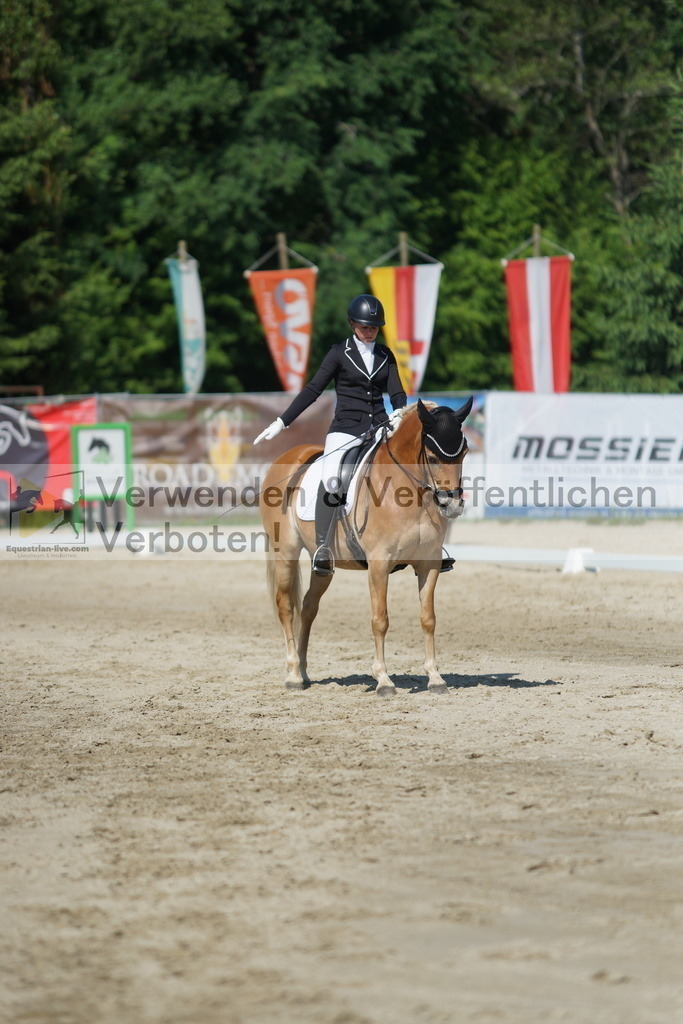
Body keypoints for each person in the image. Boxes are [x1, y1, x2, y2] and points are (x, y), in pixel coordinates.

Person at [254, 293, 407, 575]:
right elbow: (313, 390)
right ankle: (323, 548)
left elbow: (397, 391)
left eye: (374, 327)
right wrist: (281, 421)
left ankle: (420, 545)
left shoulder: (386, 354)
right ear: (352, 324)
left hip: (380, 428)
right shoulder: (339, 352)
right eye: (364, 326)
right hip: (346, 429)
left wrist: (400, 409)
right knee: (332, 477)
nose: (370, 331)